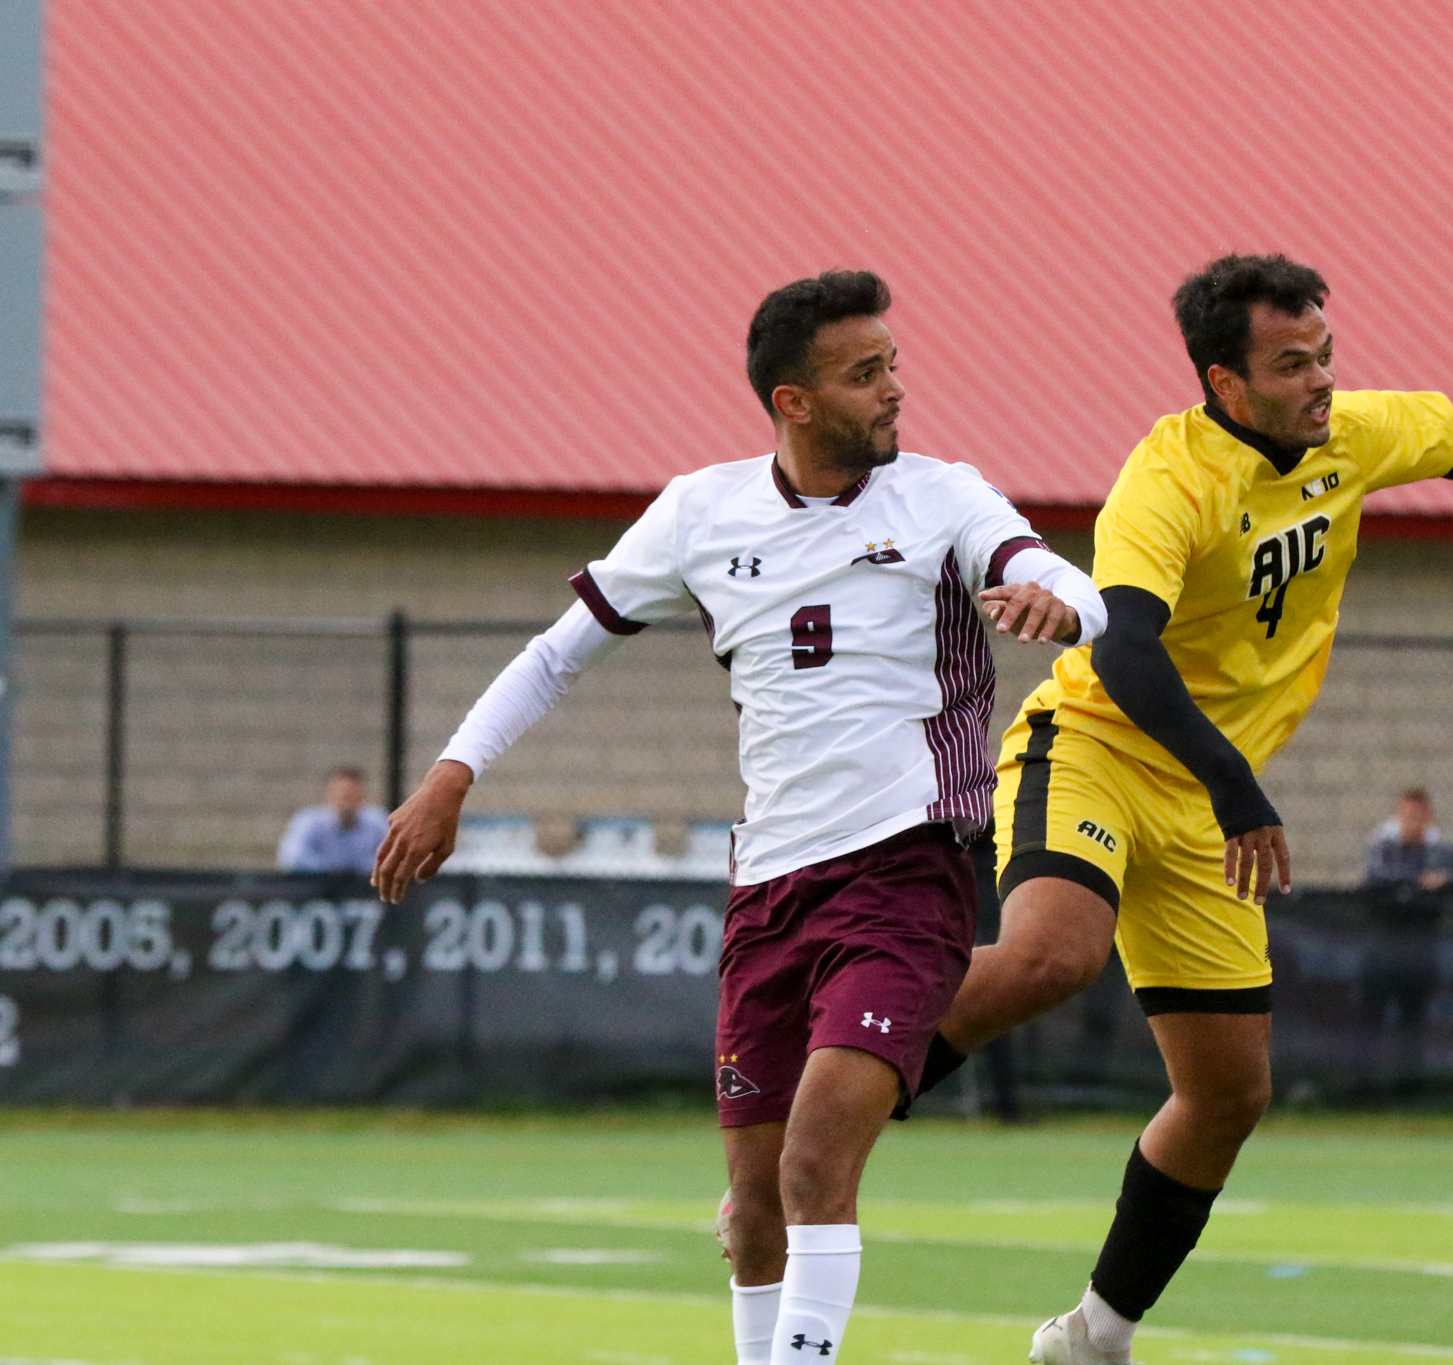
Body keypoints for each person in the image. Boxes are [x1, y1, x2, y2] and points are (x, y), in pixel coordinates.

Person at [896, 253, 1453, 1363]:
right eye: (1291, 365)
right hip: (1095, 747)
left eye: (1324, 354)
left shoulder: (1345, 435)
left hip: (1206, 804)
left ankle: (1093, 1333)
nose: (1321, 380)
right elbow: (1124, 648)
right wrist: (1238, 788)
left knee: (1227, 1095)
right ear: (1224, 382)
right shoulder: (1170, 476)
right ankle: (827, 1099)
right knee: (1051, 956)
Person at [370, 270, 1102, 1365]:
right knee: (754, 1207)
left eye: (892, 364)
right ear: (792, 401)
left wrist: (1062, 603)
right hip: (768, 890)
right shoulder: (699, 512)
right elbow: (555, 656)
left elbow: (1065, 582)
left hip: (909, 869)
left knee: (814, 1164)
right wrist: (451, 772)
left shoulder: (942, 497)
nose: (894, 389)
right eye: (865, 374)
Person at [1356, 788, 1453, 1092]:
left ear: (1428, 818)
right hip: (1381, 954)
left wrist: (1445, 880)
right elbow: (1374, 878)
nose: (1412, 822)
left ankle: (1409, 1091)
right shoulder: (1383, 849)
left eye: (1418, 816)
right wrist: (1418, 882)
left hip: (1420, 955)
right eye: (1407, 815)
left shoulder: (1442, 854)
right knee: (1371, 1020)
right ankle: (1363, 1091)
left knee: (1412, 1023)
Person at [276, 766, 388, 873]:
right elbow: (291, 858)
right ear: (329, 793)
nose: (348, 798)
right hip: (317, 888)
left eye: (353, 793)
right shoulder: (309, 821)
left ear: (363, 794)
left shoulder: (377, 821)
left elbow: (390, 858)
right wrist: (329, 870)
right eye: (343, 793)